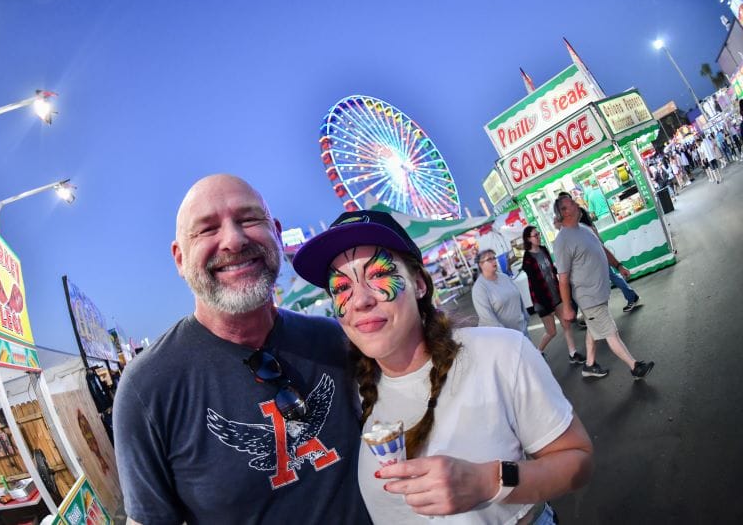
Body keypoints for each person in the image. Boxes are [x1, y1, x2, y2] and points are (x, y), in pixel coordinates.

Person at [292, 209, 593, 525]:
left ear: (419, 283)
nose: (359, 300)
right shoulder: (350, 394)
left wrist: (487, 482)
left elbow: (578, 461)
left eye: (378, 274)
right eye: (341, 288)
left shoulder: (499, 353)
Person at [113, 175, 369, 524]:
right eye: (206, 230)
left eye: (249, 219)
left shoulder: (336, 340)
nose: (233, 240)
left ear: (277, 233)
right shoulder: (149, 387)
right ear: (179, 258)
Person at [552, 195, 654, 380]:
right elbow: (563, 278)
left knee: (594, 329)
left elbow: (602, 249)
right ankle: (635, 367)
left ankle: (589, 365)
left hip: (599, 292)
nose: (576, 203)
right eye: (571, 203)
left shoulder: (583, 228)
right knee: (610, 332)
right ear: (564, 212)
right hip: (588, 297)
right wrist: (567, 307)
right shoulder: (562, 241)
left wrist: (619, 265)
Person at [558, 191, 640, 313]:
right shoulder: (575, 216)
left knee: (611, 275)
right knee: (610, 275)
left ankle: (630, 296)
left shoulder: (577, 214)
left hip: (594, 250)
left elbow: (590, 230)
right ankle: (629, 296)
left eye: (565, 203)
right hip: (593, 251)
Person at [521, 226, 583, 362]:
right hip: (542, 301)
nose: (538, 237)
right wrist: (546, 305)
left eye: (538, 234)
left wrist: (562, 274)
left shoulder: (543, 250)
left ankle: (573, 354)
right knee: (551, 332)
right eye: (535, 235)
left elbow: (551, 268)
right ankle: (538, 352)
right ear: (528, 239)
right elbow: (535, 285)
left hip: (555, 294)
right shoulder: (527, 259)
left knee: (566, 324)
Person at [470, 249, 529, 336]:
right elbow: (488, 318)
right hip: (505, 338)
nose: (494, 261)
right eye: (489, 259)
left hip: (522, 330)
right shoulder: (479, 288)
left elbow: (518, 296)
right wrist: (506, 335)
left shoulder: (504, 277)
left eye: (494, 258)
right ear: (480, 264)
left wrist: (526, 317)